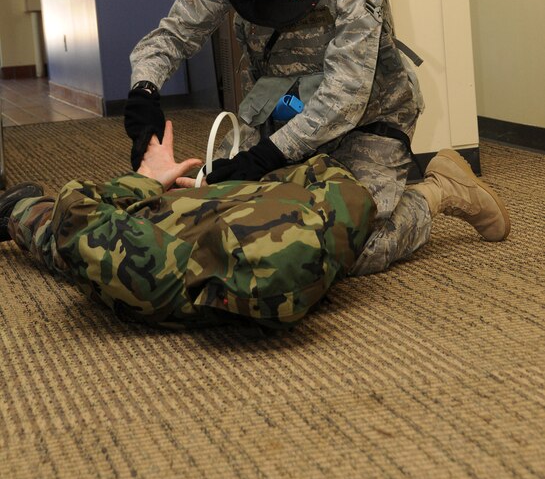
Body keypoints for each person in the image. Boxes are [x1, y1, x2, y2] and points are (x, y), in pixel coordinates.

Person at [124, 0, 510, 277]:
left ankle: (440, 191)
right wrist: (144, 94)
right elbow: (171, 35)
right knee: (217, 224)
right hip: (280, 115)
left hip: (367, 120)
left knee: (345, 248)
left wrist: (262, 159)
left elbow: (346, 94)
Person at [0, 122, 376, 330]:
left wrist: (149, 178)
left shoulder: (162, 278)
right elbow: (332, 173)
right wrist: (250, 179)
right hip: (223, 199)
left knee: (56, 240)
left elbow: (75, 213)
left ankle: (16, 210)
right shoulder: (333, 227)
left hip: (145, 225)